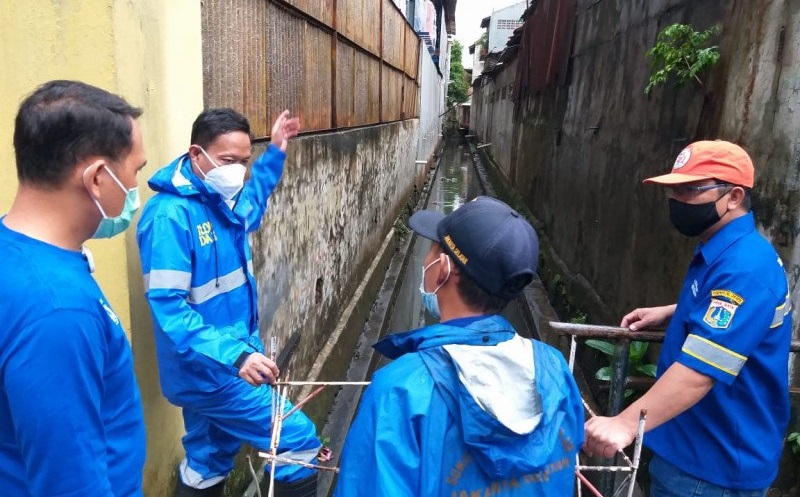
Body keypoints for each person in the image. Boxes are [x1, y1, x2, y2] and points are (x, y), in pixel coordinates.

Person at [334, 196, 584, 496]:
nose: (425, 260)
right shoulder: (554, 368)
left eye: (431, 249)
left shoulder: (400, 390)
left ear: (442, 268)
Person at [583, 140, 792, 496]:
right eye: (674, 190)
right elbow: (729, 315)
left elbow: (699, 373)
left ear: (734, 197)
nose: (677, 201)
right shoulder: (723, 247)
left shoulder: (745, 268)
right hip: (692, 444)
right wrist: (673, 312)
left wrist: (624, 423)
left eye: (691, 190)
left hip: (714, 464)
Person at [136, 108, 320, 497]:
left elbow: (254, 197)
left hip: (228, 362)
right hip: (209, 370)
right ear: (196, 154)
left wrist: (275, 152)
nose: (236, 171)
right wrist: (237, 357)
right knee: (298, 440)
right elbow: (168, 307)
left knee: (208, 459)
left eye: (243, 162)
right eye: (227, 161)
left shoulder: (224, 199)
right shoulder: (170, 216)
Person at [0, 80, 147, 495]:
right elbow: (69, 484)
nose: (135, 187)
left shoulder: (15, 252)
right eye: (134, 170)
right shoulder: (58, 310)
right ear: (99, 177)